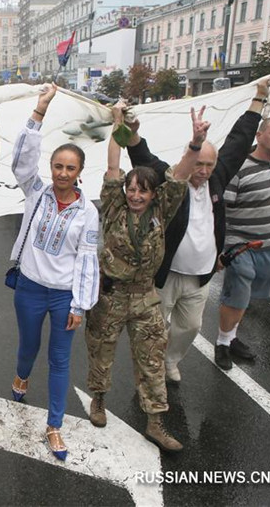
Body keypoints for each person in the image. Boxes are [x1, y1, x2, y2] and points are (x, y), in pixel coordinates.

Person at [124, 79, 270, 382]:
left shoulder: (216, 179)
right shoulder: (171, 181)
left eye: (208, 165)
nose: (202, 171)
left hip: (200, 275)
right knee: (154, 325)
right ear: (187, 159)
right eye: (198, 163)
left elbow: (240, 141)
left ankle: (170, 361)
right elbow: (142, 157)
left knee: (189, 327)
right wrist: (132, 131)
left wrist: (259, 100)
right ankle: (149, 370)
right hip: (167, 274)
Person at [85, 105, 203, 453]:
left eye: (143, 191)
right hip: (110, 296)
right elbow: (112, 165)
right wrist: (118, 128)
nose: (136, 195)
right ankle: (98, 400)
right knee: (101, 353)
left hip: (146, 298)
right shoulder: (113, 205)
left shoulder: (162, 211)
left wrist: (195, 144)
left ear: (154, 194)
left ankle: (155, 423)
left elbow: (180, 175)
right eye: (131, 189)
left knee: (152, 361)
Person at [6, 84, 100, 460]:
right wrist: (39, 111)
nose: (62, 173)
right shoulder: (36, 193)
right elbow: (20, 163)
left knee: (60, 360)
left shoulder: (87, 212)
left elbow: (87, 260)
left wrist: (80, 305)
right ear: (51, 168)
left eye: (69, 168)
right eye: (58, 166)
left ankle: (55, 426)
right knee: (28, 347)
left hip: (64, 297)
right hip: (29, 287)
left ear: (79, 172)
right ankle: (21, 376)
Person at [216, 65, 270, 369]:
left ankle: (231, 335)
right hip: (242, 246)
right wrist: (221, 249)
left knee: (247, 296)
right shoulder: (240, 168)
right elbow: (222, 211)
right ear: (260, 135)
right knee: (237, 293)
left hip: (269, 244)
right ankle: (223, 344)